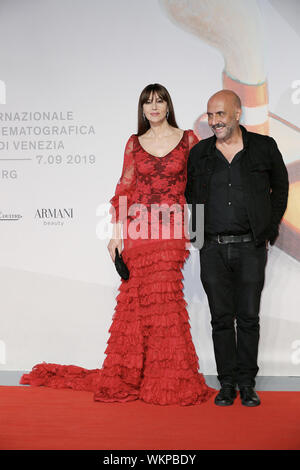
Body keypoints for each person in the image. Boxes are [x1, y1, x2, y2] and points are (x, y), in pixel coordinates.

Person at [21, 83, 215, 406]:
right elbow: (125, 189)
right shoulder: (134, 144)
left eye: (159, 101)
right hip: (137, 232)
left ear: (168, 106)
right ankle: (134, 375)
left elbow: (200, 187)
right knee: (137, 306)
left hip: (171, 231)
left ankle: (168, 378)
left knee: (165, 304)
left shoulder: (188, 140)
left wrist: (202, 227)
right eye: (147, 102)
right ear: (142, 109)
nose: (153, 107)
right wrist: (115, 233)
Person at [185, 89, 289, 407]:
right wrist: (200, 236)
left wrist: (268, 230)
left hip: (250, 248)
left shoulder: (264, 148)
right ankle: (226, 383)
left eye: (221, 114)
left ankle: (247, 383)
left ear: (237, 113)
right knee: (220, 319)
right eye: (211, 114)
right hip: (213, 249)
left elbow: (281, 187)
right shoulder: (200, 153)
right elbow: (190, 193)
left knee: (248, 318)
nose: (215, 121)